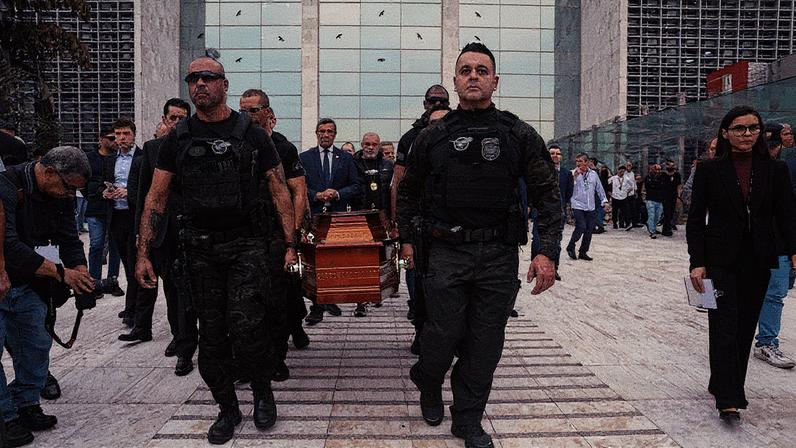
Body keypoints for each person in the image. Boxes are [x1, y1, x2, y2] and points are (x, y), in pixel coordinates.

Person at [397, 42, 560, 448]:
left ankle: (467, 418)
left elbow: (547, 195)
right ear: (454, 81)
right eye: (466, 70)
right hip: (446, 253)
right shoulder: (432, 136)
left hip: (498, 255)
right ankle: (429, 378)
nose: (474, 76)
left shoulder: (517, 134)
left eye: (482, 70)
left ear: (495, 80)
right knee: (442, 333)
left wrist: (546, 251)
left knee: (486, 341)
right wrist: (407, 241)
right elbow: (409, 194)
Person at [135, 57, 297, 444]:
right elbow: (156, 198)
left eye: (208, 78)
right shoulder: (179, 137)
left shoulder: (252, 134)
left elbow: (278, 189)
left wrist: (290, 245)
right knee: (210, 335)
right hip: (199, 249)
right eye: (194, 79)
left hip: (246, 245)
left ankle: (262, 393)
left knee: (248, 325)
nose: (200, 85)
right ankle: (227, 408)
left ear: (225, 85)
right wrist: (143, 253)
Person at [687, 105, 796, 422]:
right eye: (739, 128)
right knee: (723, 326)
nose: (747, 134)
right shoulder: (709, 169)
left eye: (753, 128)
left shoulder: (775, 171)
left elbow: (786, 215)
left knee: (745, 327)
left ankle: (723, 382)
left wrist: (792, 250)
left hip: (759, 259)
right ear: (725, 132)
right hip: (719, 260)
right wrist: (697, 262)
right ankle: (729, 398)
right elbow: (696, 221)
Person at [0, 146, 94, 448]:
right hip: (4, 273)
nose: (70, 197)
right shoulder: (7, 185)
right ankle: (4, 418)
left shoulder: (61, 195)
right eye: (68, 189)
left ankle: (25, 404)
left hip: (28, 282)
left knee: (36, 345)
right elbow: (10, 246)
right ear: (49, 171)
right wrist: (61, 273)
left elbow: (68, 236)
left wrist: (80, 270)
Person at [119, 99, 197, 377]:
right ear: (164, 119)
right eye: (172, 118)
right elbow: (143, 198)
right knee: (172, 289)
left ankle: (193, 338)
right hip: (164, 232)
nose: (177, 122)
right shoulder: (151, 151)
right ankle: (181, 338)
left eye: (182, 117)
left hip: (196, 229)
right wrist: (143, 238)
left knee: (196, 289)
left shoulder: (198, 146)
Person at [239, 88, 310, 381]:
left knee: (277, 300)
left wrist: (292, 236)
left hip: (275, 234)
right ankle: (247, 360)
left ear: (268, 113)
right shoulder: (235, 143)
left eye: (253, 110)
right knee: (244, 303)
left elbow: (299, 192)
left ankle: (277, 356)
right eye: (242, 111)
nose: (247, 116)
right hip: (243, 233)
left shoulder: (283, 147)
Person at [392, 85, 449, 339]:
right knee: (415, 279)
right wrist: (399, 226)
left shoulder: (460, 133)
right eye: (432, 100)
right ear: (424, 103)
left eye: (442, 101)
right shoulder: (410, 138)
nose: (436, 104)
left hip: (450, 224)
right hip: (417, 223)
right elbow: (399, 185)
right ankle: (420, 329)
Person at [299, 118, 360, 325]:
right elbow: (298, 187)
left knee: (334, 261)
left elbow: (356, 186)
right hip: (315, 216)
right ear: (316, 133)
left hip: (337, 216)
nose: (325, 135)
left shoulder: (345, 158)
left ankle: (330, 297)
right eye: (322, 131)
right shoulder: (305, 158)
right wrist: (316, 195)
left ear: (335, 135)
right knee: (314, 262)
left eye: (330, 131)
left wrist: (337, 193)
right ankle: (317, 306)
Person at [752, 132, 796, 369]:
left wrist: (792, 249)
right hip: (748, 245)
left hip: (778, 244)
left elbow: (788, 213)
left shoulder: (782, 169)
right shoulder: (740, 169)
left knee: (775, 294)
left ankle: (767, 342)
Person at [352, 131, 394, 317]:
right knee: (361, 260)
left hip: (381, 218)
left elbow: (394, 193)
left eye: (374, 144)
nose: (370, 147)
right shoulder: (352, 163)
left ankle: (378, 292)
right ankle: (361, 301)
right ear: (362, 144)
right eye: (367, 144)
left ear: (379, 146)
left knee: (381, 259)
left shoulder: (388, 165)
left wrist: (393, 218)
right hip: (359, 218)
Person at [107, 117, 143, 327]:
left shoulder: (141, 157)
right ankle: (131, 306)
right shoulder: (111, 160)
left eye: (125, 134)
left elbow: (146, 186)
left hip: (134, 216)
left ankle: (134, 309)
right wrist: (106, 192)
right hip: (116, 216)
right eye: (118, 134)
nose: (121, 138)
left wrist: (128, 193)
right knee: (126, 264)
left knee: (134, 264)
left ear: (133, 134)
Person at [84, 129, 123, 297]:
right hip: (96, 208)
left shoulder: (118, 157)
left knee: (115, 247)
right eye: (111, 138)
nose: (115, 141)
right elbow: (85, 183)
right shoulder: (90, 158)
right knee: (96, 245)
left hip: (115, 209)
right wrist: (99, 194)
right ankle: (95, 282)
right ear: (101, 140)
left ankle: (112, 280)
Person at [565, 153, 608, 261]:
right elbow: (568, 188)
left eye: (580, 161)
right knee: (581, 226)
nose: (578, 163)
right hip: (577, 204)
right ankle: (571, 245)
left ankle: (583, 252)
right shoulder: (572, 173)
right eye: (577, 161)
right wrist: (575, 176)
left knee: (589, 230)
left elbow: (599, 189)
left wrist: (604, 201)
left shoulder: (593, 174)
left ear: (587, 162)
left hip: (590, 205)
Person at [643, 164, 666, 239]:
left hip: (659, 200)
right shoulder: (648, 177)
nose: (657, 171)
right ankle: (652, 231)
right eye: (656, 169)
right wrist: (656, 185)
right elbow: (649, 186)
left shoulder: (662, 177)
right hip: (650, 200)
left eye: (659, 170)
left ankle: (651, 226)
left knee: (658, 217)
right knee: (651, 216)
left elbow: (661, 186)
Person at [661, 159, 681, 235]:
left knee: (672, 212)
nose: (671, 166)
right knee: (667, 213)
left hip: (673, 196)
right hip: (665, 197)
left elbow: (678, 186)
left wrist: (678, 196)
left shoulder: (677, 175)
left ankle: (668, 227)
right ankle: (666, 230)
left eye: (672, 165)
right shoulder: (663, 175)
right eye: (669, 165)